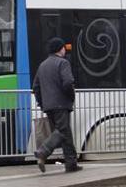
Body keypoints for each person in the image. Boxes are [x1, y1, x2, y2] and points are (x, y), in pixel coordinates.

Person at [32, 37, 82, 173]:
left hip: (49, 106)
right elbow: (68, 82)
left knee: (66, 133)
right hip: (61, 104)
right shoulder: (63, 63)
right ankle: (42, 151)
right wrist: (71, 97)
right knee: (62, 132)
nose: (65, 49)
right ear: (60, 49)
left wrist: (42, 103)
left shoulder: (42, 65)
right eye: (64, 47)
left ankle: (71, 164)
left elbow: (35, 87)